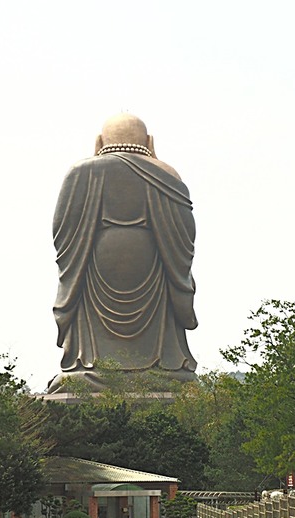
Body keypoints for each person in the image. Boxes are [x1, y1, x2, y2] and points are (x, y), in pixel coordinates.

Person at [48, 113, 198, 392]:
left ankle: (89, 370)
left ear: (99, 142)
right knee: (166, 364)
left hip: (94, 262)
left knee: (87, 364)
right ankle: (163, 370)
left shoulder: (81, 172)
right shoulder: (166, 174)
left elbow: (63, 232)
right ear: (150, 142)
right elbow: (184, 236)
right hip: (154, 261)